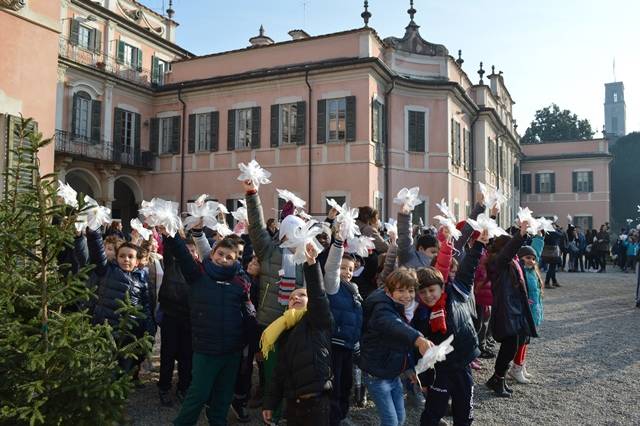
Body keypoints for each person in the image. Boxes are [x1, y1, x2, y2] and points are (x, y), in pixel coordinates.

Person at [163, 232, 254, 426]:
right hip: (206, 349)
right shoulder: (198, 275)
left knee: (224, 394)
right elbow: (182, 254)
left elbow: (248, 315)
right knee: (199, 394)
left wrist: (250, 344)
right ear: (212, 254)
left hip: (232, 350)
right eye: (220, 254)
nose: (223, 259)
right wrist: (169, 235)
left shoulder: (240, 283)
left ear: (236, 260)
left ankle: (218, 421)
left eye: (229, 257)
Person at [412, 229, 488, 426]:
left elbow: (469, 266)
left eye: (432, 290)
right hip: (440, 370)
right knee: (433, 412)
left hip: (462, 363)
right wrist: (425, 380)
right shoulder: (420, 315)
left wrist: (479, 244)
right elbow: (419, 351)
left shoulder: (457, 293)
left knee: (464, 411)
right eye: (423, 292)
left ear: (442, 286)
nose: (428, 295)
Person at [261, 244, 334, 426]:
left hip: (316, 401)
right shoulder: (283, 328)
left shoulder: (317, 320)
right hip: (293, 403)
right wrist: (270, 404)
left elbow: (318, 297)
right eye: (292, 297)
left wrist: (311, 264)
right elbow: (280, 370)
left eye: (302, 295)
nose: (295, 298)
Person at [360, 268, 433, 426]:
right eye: (400, 290)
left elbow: (400, 342)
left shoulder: (401, 306)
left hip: (393, 374)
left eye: (411, 290)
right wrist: (419, 340)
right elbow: (393, 325)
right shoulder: (381, 308)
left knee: (400, 418)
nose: (407, 295)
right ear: (388, 290)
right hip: (377, 376)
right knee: (391, 422)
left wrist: (409, 369)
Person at [86, 228, 155, 374]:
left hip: (130, 331)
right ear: (116, 258)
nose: (126, 259)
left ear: (137, 262)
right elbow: (97, 253)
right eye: (122, 256)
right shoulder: (108, 270)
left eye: (131, 257)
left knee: (126, 366)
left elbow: (146, 306)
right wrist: (94, 233)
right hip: (107, 327)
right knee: (105, 365)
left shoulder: (142, 280)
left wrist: (149, 329)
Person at [485, 220, 538, 398]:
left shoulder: (511, 261)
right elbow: (508, 252)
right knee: (509, 346)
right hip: (505, 309)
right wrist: (520, 235)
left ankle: (497, 378)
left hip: (513, 308)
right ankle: (498, 378)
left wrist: (523, 232)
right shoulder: (498, 262)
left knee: (512, 345)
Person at [324, 236, 363, 426]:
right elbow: (331, 268)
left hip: (348, 346)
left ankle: (342, 415)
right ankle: (334, 419)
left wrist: (356, 343)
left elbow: (356, 321)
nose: (346, 272)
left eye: (350, 269)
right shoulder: (332, 287)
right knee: (335, 385)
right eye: (343, 268)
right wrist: (338, 243)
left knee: (346, 383)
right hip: (334, 345)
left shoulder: (354, 290)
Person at [156, 237, 195, 407]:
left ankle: (183, 387)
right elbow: (169, 247)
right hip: (171, 316)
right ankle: (164, 387)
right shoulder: (172, 265)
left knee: (187, 356)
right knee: (168, 355)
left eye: (193, 251)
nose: (190, 254)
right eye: (187, 251)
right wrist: (168, 232)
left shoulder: (197, 272)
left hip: (189, 319)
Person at [508, 246, 544, 384]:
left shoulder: (533, 272)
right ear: (520, 257)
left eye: (533, 259)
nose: (532, 261)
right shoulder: (521, 271)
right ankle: (516, 368)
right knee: (522, 341)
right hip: (525, 312)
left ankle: (520, 365)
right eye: (528, 258)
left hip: (533, 312)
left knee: (526, 341)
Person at [397, 204, 440, 269]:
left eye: (437, 253)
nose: (436, 255)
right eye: (433, 252)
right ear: (421, 249)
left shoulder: (436, 264)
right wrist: (404, 217)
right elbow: (404, 239)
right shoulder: (408, 257)